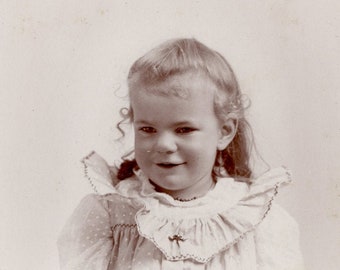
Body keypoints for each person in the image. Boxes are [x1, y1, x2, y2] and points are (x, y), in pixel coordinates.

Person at [57, 38, 304, 269]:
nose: (164, 144)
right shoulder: (111, 213)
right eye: (147, 129)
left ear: (224, 131)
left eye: (184, 129)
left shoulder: (254, 219)